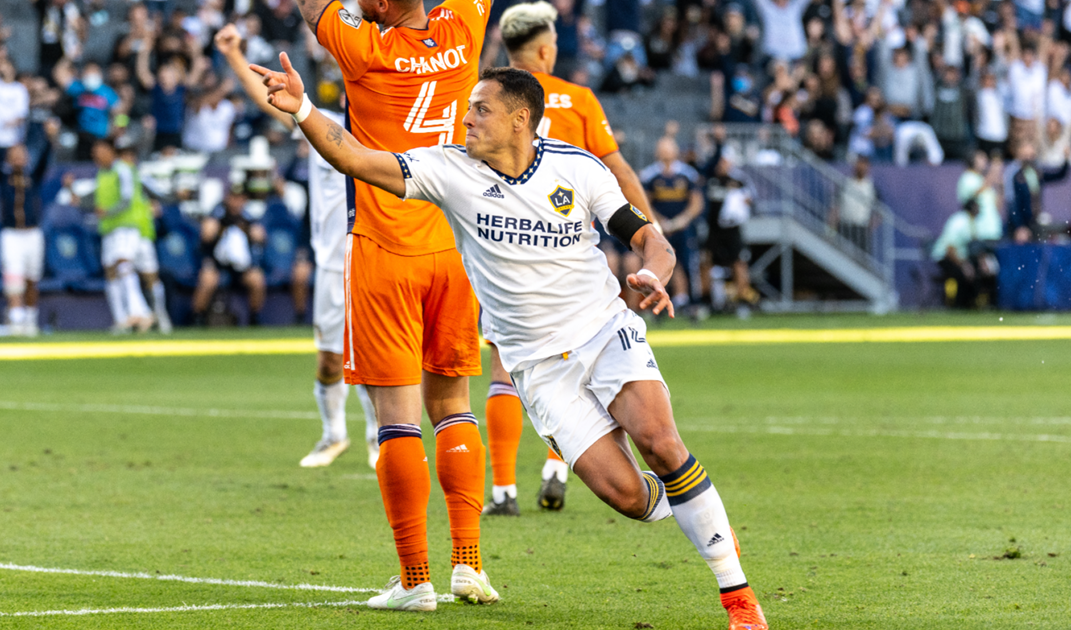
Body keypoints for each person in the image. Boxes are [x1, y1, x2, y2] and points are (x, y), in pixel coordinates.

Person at [252, 57, 769, 630]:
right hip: (538, 368)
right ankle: (696, 502)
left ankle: (740, 602)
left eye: (480, 110)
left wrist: (654, 272)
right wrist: (302, 108)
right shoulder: (448, 170)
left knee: (661, 442)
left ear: (520, 119)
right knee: (633, 500)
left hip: (603, 330)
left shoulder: (579, 169)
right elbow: (354, 156)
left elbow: (652, 239)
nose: (465, 119)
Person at [290, 0, 497, 610]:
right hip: (456, 247)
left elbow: (312, 6)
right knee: (454, 406)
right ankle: (468, 564)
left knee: (398, 419)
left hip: (385, 248)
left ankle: (414, 581)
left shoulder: (367, 49)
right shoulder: (465, 25)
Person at [482, 0, 658, 517]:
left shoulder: (487, 101)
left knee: (502, 368)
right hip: (572, 260)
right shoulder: (577, 99)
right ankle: (558, 466)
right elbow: (615, 168)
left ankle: (502, 492)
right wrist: (650, 229)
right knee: (588, 366)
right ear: (543, 48)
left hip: (507, 257)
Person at [215, 24, 379, 470]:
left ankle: (377, 440)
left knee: (375, 359)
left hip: (376, 259)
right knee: (329, 360)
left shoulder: (389, 131)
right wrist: (234, 56)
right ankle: (333, 435)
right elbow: (267, 100)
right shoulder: (321, 123)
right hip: (331, 265)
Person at [0, 119, 61, 336]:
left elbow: (44, 158)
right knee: (13, 278)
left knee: (32, 277)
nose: (19, 158)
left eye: (22, 154)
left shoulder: (33, 177)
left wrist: (51, 138)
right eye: (14, 155)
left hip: (32, 233)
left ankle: (30, 321)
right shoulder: (3, 177)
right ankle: (15, 319)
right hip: (11, 234)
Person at [70, 137, 155, 333]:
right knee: (111, 272)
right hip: (109, 228)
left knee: (124, 264)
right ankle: (121, 318)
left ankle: (140, 312)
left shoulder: (123, 170)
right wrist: (78, 197)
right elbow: (97, 198)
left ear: (110, 151)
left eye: (99, 150)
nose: (95, 155)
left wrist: (109, 212)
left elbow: (126, 199)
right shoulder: (102, 174)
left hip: (126, 225)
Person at [190, 185, 268, 326]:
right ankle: (197, 317)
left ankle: (254, 317)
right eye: (233, 198)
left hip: (241, 266)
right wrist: (214, 228)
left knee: (257, 279)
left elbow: (261, 237)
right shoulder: (218, 214)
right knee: (207, 279)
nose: (236, 202)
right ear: (228, 198)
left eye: (240, 199)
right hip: (218, 264)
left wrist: (254, 233)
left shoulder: (248, 218)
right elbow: (206, 236)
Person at [642, 135, 704, 312]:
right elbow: (645, 203)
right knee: (659, 265)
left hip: (684, 228)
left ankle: (693, 303)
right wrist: (660, 222)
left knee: (688, 264)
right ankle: (658, 305)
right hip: (661, 230)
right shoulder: (650, 175)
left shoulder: (687, 173)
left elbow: (696, 202)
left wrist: (682, 220)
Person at [118, 140, 173, 334]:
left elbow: (163, 194)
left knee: (151, 277)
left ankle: (160, 315)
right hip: (125, 232)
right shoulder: (118, 177)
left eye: (130, 154)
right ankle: (137, 314)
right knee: (124, 268)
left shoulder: (142, 178)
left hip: (143, 233)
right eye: (124, 154)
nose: (128, 158)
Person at [701, 138, 755, 316]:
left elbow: (750, 199)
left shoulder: (738, 180)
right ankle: (707, 300)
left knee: (738, 262)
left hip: (732, 229)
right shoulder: (710, 177)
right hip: (713, 228)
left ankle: (743, 301)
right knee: (706, 261)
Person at [931, 197, 996, 308]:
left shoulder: (974, 222)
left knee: (980, 272)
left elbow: (976, 247)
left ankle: (973, 304)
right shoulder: (959, 221)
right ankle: (958, 306)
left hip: (962, 258)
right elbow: (949, 249)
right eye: (977, 207)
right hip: (946, 257)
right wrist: (964, 265)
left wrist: (982, 262)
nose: (979, 209)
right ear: (972, 207)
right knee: (962, 274)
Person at [1003, 141, 1070, 242]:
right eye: (1026, 156)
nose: (1029, 159)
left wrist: (1065, 159)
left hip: (1034, 222)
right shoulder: (1014, 174)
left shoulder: (1035, 172)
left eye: (1032, 156)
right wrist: (1019, 226)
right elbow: (1012, 202)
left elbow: (1059, 175)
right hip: (1020, 226)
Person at [828, 153, 878, 252]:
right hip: (844, 226)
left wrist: (870, 226)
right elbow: (835, 206)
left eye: (864, 164)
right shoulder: (845, 183)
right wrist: (831, 228)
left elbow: (879, 212)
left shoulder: (871, 187)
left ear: (868, 167)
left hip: (861, 228)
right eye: (859, 163)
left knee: (863, 259)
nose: (861, 167)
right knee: (840, 255)